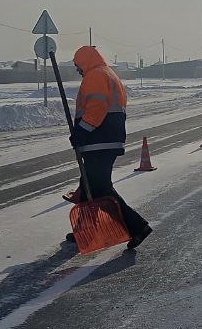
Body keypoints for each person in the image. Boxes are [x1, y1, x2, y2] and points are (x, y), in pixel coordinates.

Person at [65, 45, 152, 249]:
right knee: (88, 184)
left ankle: (138, 227)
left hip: (99, 140)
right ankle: (85, 230)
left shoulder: (95, 75)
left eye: (78, 66)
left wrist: (81, 132)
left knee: (101, 188)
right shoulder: (108, 74)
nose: (78, 70)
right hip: (106, 140)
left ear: (85, 61)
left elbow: (97, 108)